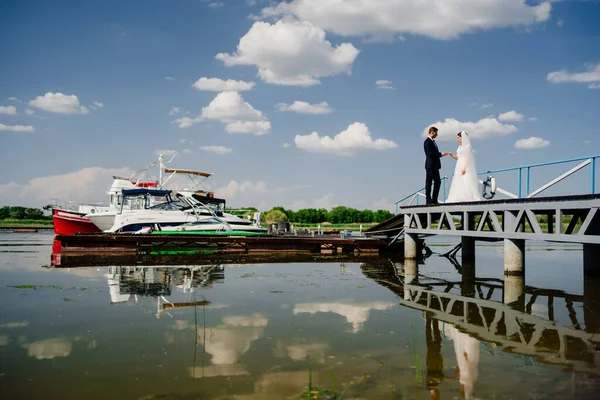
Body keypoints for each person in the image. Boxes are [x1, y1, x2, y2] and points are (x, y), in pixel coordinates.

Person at [446, 132, 483, 203]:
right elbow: (457, 157)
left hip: (464, 166)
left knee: (467, 180)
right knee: (458, 181)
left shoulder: (467, 147)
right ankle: (459, 196)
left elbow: (468, 158)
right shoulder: (459, 147)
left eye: (458, 138)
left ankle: (469, 197)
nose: (458, 140)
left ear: (462, 138)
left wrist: (464, 168)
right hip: (458, 165)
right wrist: (451, 154)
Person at [424, 127, 449, 205]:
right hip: (430, 165)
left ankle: (434, 199)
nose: (437, 135)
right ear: (432, 132)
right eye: (436, 133)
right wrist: (440, 154)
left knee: (438, 182)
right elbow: (429, 154)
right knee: (429, 182)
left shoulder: (433, 142)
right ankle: (428, 200)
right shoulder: (427, 142)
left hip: (435, 166)